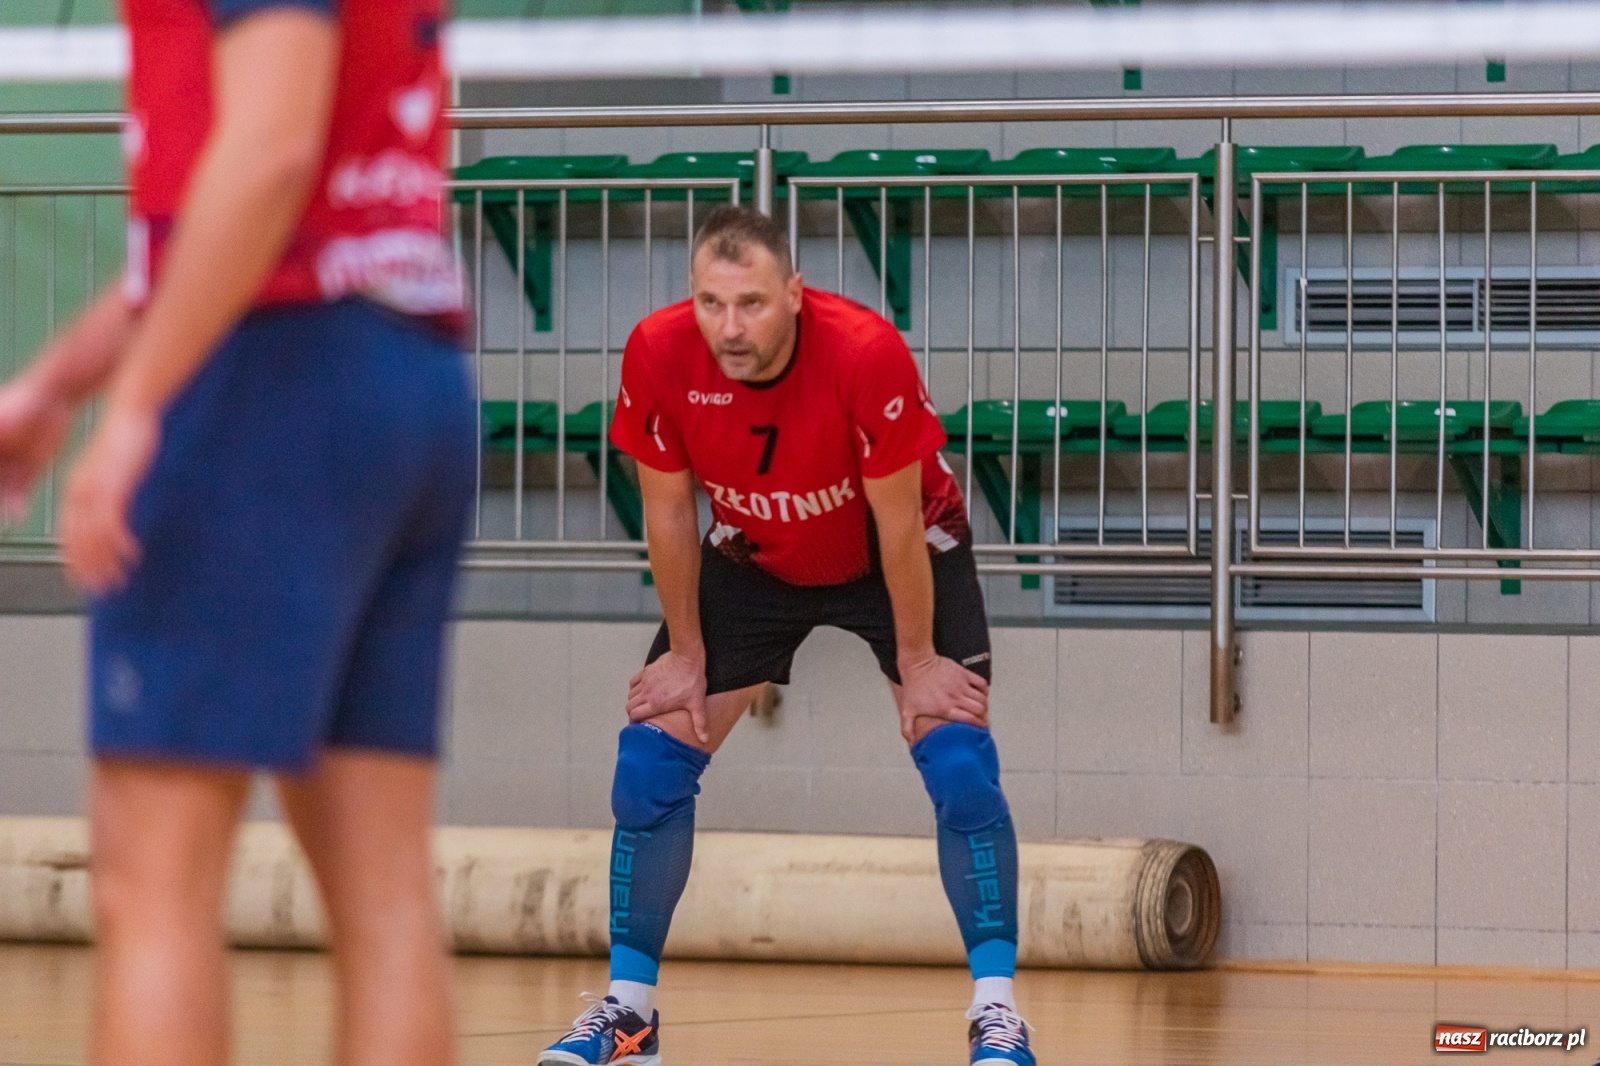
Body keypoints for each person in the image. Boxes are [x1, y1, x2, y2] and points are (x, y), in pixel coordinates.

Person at [0, 1, 470, 1064]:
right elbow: (241, 215)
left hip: (267, 382)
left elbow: (267, 160)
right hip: (405, 370)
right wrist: (63, 382)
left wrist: (134, 410)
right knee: (384, 890)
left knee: (150, 883)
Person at [539, 205, 1033, 1066]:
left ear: (795, 295)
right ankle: (630, 1014)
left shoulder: (864, 351)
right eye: (711, 302)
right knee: (650, 758)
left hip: (899, 553)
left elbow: (898, 528)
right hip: (757, 554)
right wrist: (686, 655)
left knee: (956, 761)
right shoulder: (657, 351)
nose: (730, 327)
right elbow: (668, 512)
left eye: (753, 304)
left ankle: (996, 1014)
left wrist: (917, 663)